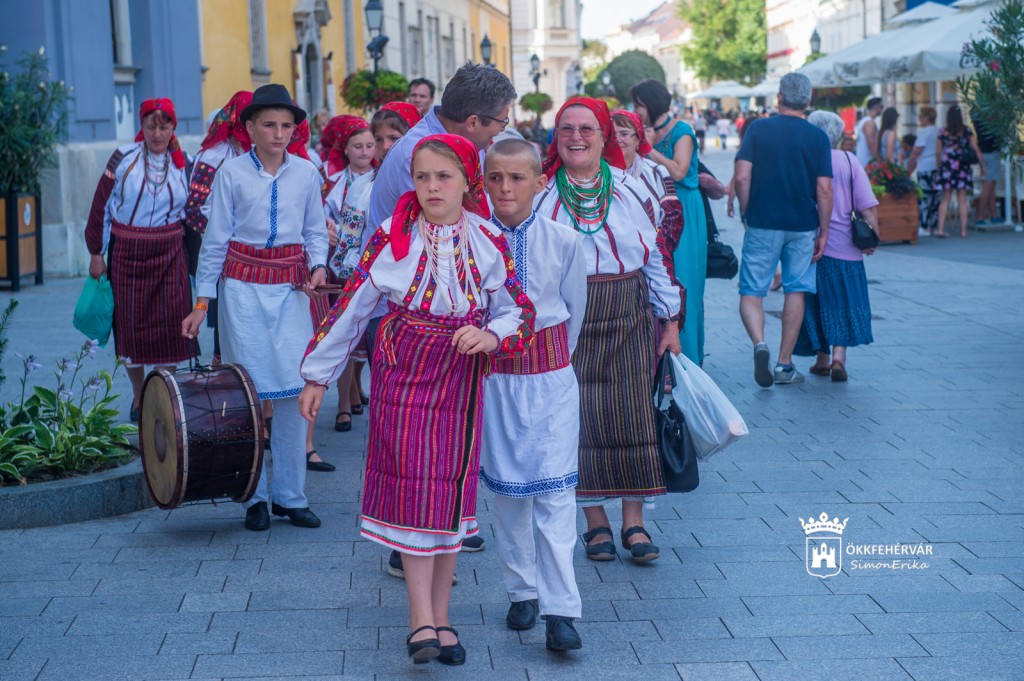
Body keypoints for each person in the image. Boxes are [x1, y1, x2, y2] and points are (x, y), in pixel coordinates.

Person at [298, 133, 536, 665]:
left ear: (467, 182)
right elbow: (353, 308)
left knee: (448, 497)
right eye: (422, 176)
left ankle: (443, 619)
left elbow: (519, 309)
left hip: (460, 373)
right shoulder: (392, 234)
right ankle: (419, 621)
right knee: (413, 492)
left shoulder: (486, 238)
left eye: (443, 176)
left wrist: (491, 335)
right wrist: (317, 375)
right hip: (404, 368)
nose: (432, 187)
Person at [368, 63, 517, 566]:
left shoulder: (447, 146)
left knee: (449, 443)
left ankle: (441, 524)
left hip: (453, 323)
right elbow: (412, 240)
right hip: (408, 313)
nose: (499, 133)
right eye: (498, 123)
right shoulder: (424, 152)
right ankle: (411, 542)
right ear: (473, 122)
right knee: (411, 446)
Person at [534, 97, 682, 565]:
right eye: (566, 129)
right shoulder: (542, 194)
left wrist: (671, 319)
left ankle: (634, 523)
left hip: (627, 310)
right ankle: (595, 522)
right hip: (568, 318)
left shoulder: (631, 188)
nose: (576, 137)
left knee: (632, 413)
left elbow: (656, 256)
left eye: (587, 129)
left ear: (603, 137)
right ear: (556, 138)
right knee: (578, 419)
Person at [182, 83, 329, 532]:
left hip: (291, 292)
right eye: (269, 125)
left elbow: (315, 231)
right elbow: (215, 242)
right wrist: (202, 303)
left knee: (293, 391)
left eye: (286, 125)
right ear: (249, 128)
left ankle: (291, 496)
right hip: (242, 293)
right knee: (248, 395)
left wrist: (319, 266)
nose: (279, 133)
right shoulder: (231, 174)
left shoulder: (307, 173)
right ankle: (256, 497)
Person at [480, 138, 586, 651]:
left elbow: (574, 312)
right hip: (496, 381)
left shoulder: (565, 240)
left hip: (551, 380)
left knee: (555, 493)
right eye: (495, 178)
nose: (506, 188)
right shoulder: (473, 240)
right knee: (508, 493)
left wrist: (550, 360)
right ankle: (521, 589)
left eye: (517, 178)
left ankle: (560, 610)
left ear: (540, 183)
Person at [85, 98, 193, 422]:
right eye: (151, 126)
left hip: (170, 253)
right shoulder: (123, 158)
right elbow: (101, 205)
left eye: (164, 126)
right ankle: (139, 396)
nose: (157, 134)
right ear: (142, 127)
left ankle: (163, 395)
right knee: (131, 329)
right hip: (128, 254)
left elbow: (196, 210)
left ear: (173, 127)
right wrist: (96, 252)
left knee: (172, 327)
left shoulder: (184, 163)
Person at [733, 72, 833, 387]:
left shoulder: (758, 129)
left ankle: (759, 343)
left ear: (779, 97)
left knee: (752, 291)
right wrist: (824, 231)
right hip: (802, 224)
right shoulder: (818, 137)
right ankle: (784, 364)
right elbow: (824, 189)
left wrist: (748, 209)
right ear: (808, 99)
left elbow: (741, 177)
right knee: (795, 289)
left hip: (763, 220)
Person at [796, 111, 877, 381]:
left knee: (817, 302)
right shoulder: (849, 160)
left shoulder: (807, 161)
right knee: (843, 302)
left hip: (813, 245)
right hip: (848, 247)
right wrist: (873, 235)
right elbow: (867, 205)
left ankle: (822, 359)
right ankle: (839, 357)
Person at [632, 79, 707, 364]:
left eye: (639, 104)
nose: (636, 110)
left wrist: (647, 147)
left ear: (651, 104)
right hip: (656, 206)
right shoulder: (648, 130)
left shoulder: (682, 131)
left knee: (685, 278)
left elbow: (678, 171)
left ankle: (689, 358)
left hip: (683, 206)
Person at [184, 91, 253, 368]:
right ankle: (225, 382)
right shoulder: (213, 156)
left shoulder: (255, 152)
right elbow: (195, 207)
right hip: (225, 251)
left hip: (255, 253)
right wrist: (226, 233)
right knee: (228, 322)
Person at [320, 115, 376, 437]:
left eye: (369, 145)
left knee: (365, 336)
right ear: (345, 148)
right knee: (343, 333)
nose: (365, 151)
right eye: (358, 146)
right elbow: (318, 217)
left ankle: (356, 389)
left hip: (371, 265)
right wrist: (326, 229)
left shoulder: (382, 179)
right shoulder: (332, 183)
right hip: (340, 267)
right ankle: (343, 403)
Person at [936, 105, 985, 239]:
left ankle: (940, 229)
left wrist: (939, 166)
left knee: (945, 198)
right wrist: (982, 166)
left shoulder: (942, 132)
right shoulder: (966, 131)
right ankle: (963, 231)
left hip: (947, 167)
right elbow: (976, 149)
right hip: (962, 167)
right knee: (962, 199)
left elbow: (938, 152)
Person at [906, 107, 940, 235]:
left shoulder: (924, 132)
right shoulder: (938, 130)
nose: (919, 119)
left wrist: (908, 168)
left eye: (920, 117)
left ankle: (924, 227)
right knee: (936, 199)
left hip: (925, 167)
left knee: (925, 198)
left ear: (927, 118)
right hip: (937, 167)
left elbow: (916, 152)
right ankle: (934, 226)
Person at [972, 111, 1002, 226]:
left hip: (983, 153)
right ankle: (980, 216)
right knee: (988, 187)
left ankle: (994, 215)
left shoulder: (976, 117)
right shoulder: (991, 118)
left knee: (991, 187)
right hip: (992, 153)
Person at [855, 97, 883, 166]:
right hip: (868, 165)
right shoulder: (869, 123)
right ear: (876, 107)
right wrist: (878, 160)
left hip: (864, 164)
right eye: (881, 106)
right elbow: (871, 143)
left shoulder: (864, 121)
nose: (882, 109)